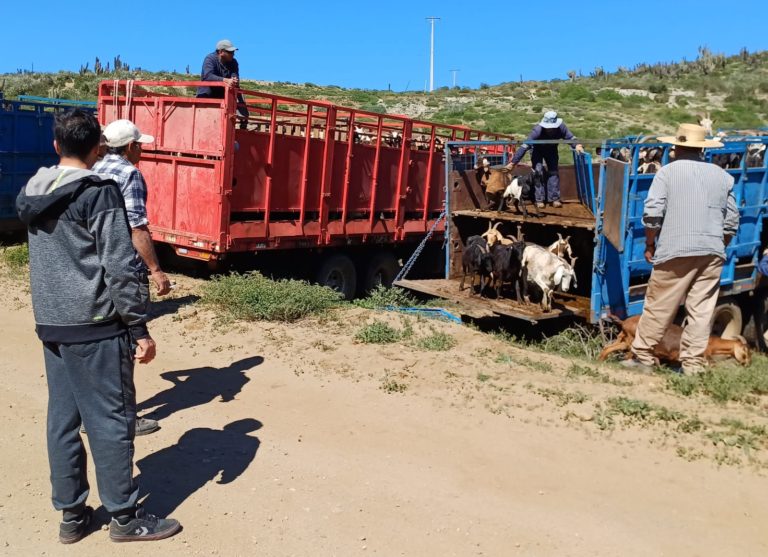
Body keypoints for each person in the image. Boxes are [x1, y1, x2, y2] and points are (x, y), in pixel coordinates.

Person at [15, 109, 180, 543]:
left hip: (52, 324)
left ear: (56, 145)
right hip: (96, 325)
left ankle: (72, 516)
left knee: (63, 421)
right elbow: (120, 267)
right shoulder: (98, 192)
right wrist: (138, 326)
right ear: (97, 149)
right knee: (111, 420)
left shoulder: (33, 188)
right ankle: (124, 517)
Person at [622, 123, 739, 374]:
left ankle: (642, 357)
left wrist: (650, 243)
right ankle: (693, 365)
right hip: (712, 251)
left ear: (676, 147)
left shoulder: (667, 173)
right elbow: (731, 222)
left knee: (660, 305)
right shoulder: (722, 176)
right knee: (701, 311)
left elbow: (653, 215)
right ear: (702, 149)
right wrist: (718, 245)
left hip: (675, 249)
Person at [93, 119, 171, 437]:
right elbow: (136, 226)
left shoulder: (93, 168)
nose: (141, 151)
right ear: (129, 147)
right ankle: (126, 418)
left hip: (93, 268)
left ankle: (90, 414)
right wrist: (156, 270)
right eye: (139, 145)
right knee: (128, 342)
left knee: (99, 342)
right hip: (123, 269)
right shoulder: (129, 174)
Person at [506, 110, 583, 208]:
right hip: (537, 150)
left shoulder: (561, 127)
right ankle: (539, 199)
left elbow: (570, 137)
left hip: (552, 150)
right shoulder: (537, 130)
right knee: (538, 172)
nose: (550, 129)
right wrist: (513, 162)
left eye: (552, 128)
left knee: (553, 172)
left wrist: (577, 145)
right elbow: (525, 146)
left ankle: (554, 199)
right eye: (548, 128)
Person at [196, 39, 249, 128]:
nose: (233, 54)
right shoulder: (210, 59)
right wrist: (225, 80)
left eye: (233, 52)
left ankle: (243, 120)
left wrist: (234, 80)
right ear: (221, 52)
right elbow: (208, 76)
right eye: (230, 52)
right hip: (209, 93)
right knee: (207, 89)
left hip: (223, 93)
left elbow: (234, 75)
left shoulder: (233, 62)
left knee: (237, 91)